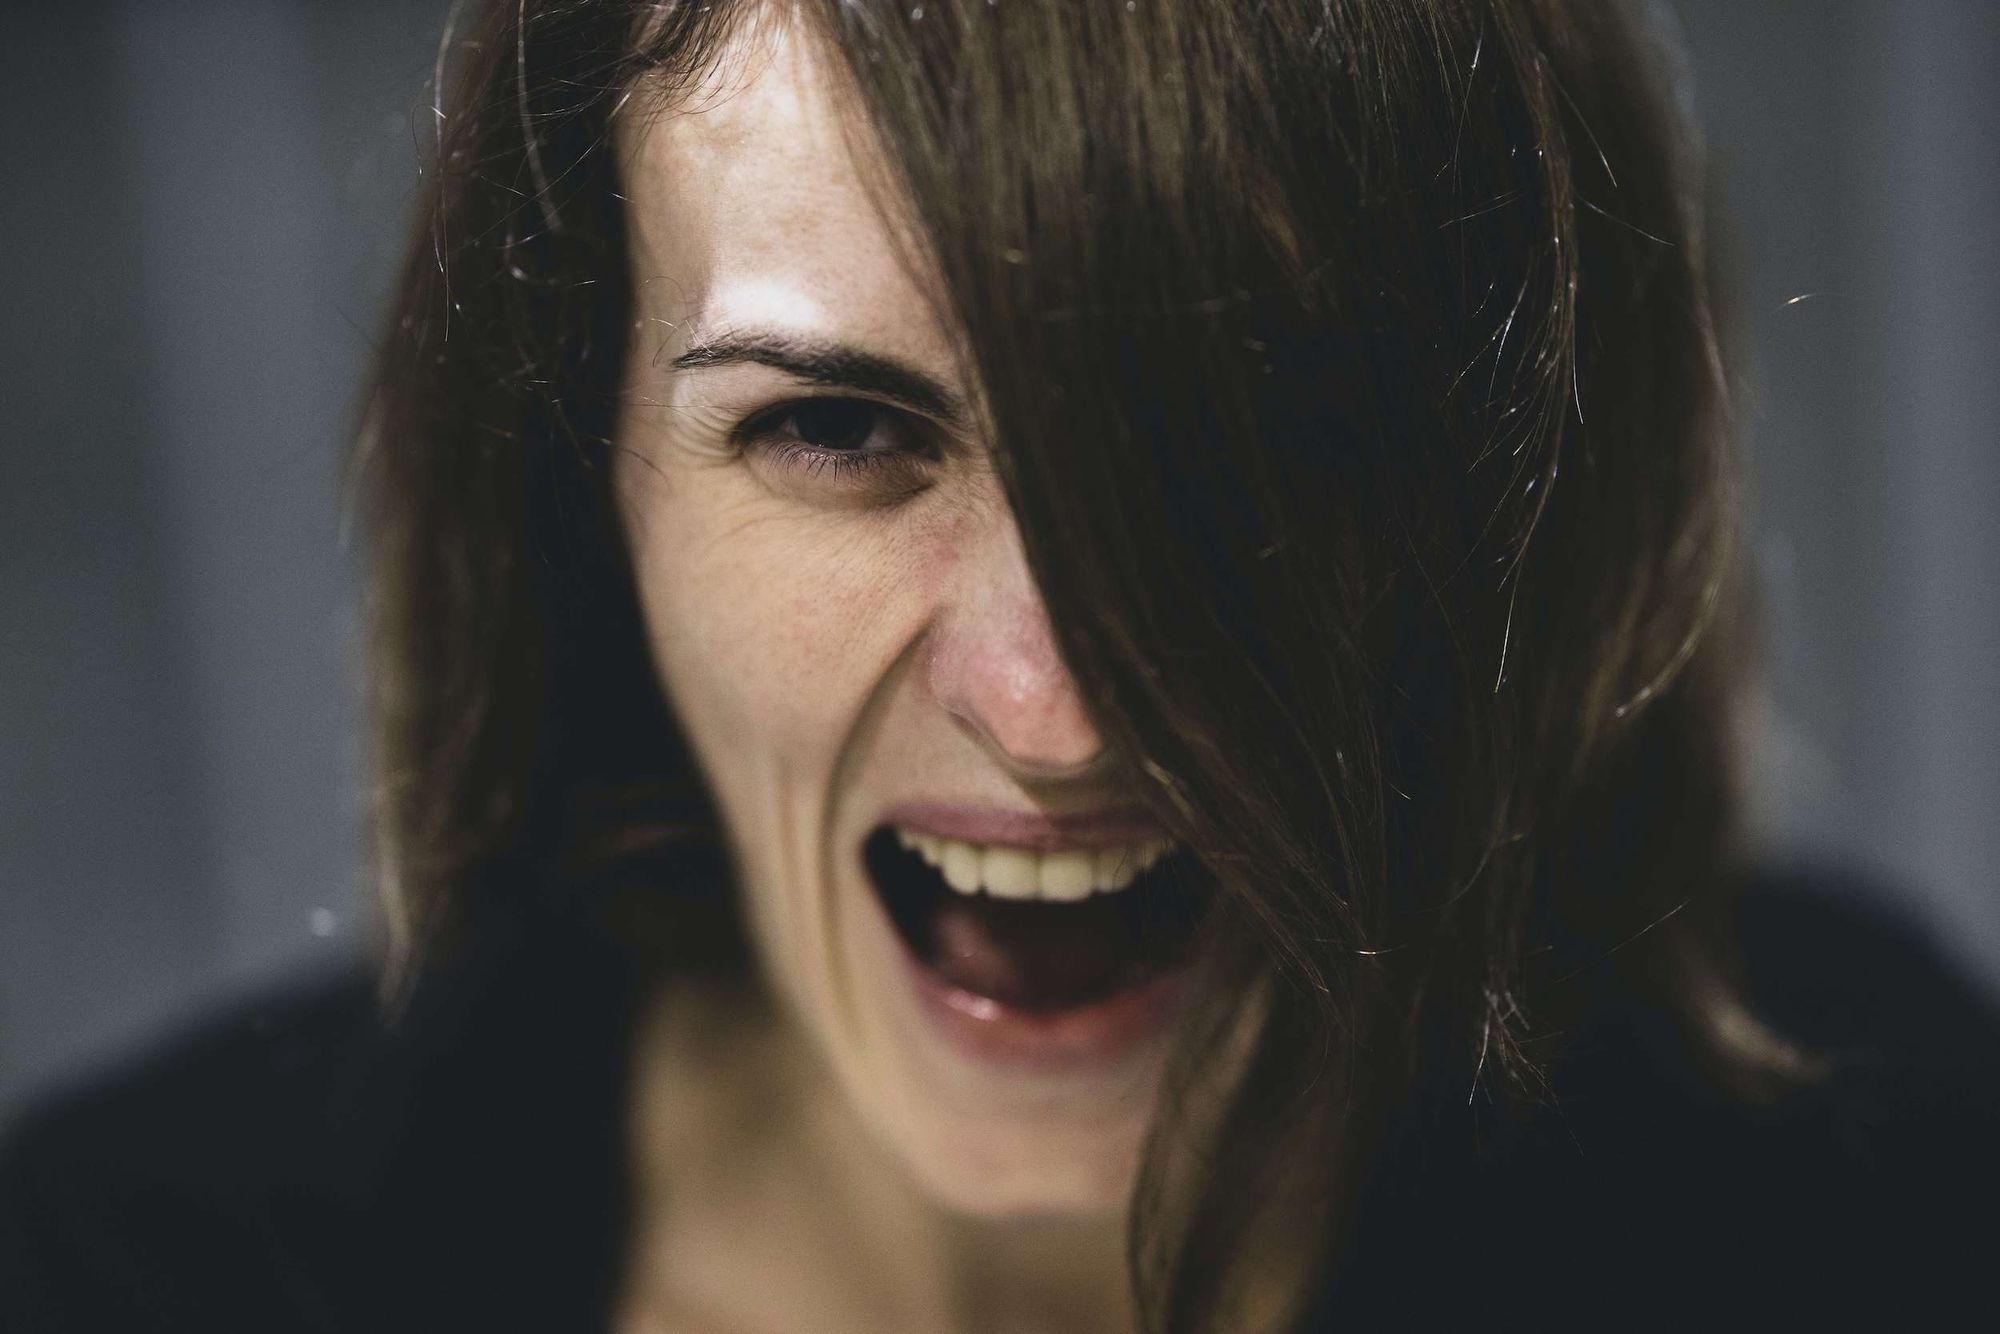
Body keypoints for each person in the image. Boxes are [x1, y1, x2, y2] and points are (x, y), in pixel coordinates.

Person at [2, 1, 1995, 1329]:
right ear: (583, 476)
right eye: (837, 430)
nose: (1060, 704)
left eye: (1242, 432)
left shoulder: (1858, 1180)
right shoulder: (120, 1271)